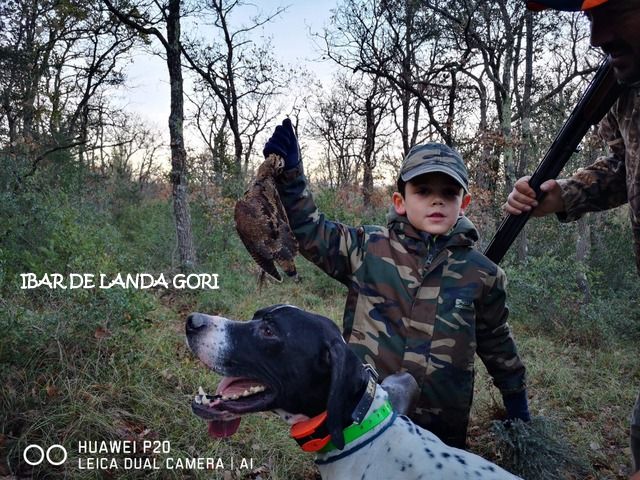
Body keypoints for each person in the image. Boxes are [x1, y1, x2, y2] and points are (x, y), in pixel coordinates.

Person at [263, 120, 530, 448]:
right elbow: (310, 231)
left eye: (449, 193)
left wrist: (516, 398)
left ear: (464, 203)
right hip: (364, 413)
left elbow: (496, 341)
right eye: (423, 191)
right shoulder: (367, 248)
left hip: (439, 431)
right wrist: (290, 173)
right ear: (400, 201)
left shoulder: (482, 273)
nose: (437, 201)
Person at [506, 0, 640, 474]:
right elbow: (626, 167)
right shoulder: (624, 89)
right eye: (588, 17)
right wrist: (560, 195)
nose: (597, 37)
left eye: (616, 8)